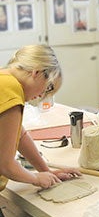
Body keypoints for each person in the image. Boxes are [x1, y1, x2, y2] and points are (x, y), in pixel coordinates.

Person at [0, 45, 81, 192]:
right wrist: (35, 178)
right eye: (48, 87)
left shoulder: (3, 79)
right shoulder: (11, 90)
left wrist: (45, 171)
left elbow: (20, 136)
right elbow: (5, 164)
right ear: (36, 72)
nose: (42, 95)